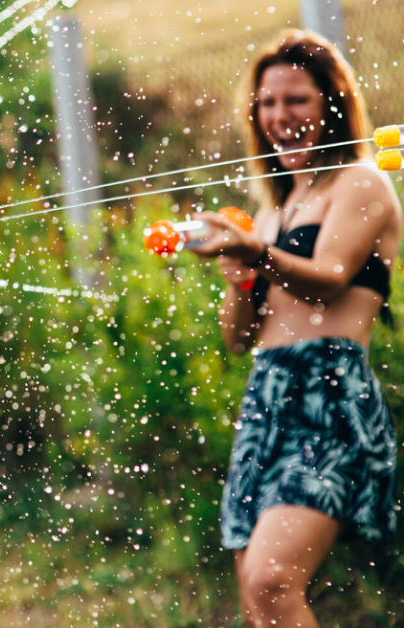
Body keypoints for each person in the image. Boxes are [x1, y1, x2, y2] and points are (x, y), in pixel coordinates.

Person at [190, 30, 400, 628]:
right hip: (268, 396)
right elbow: (239, 339)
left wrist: (259, 254)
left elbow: (330, 279)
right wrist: (241, 279)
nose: (281, 116)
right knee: (257, 597)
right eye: (268, 103)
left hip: (329, 395)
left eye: (297, 101)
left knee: (272, 580)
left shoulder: (361, 181)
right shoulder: (272, 209)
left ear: (332, 102)